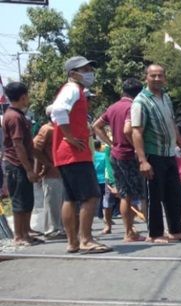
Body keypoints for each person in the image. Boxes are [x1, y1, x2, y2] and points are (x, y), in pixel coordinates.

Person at [50, 55, 112, 254]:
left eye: (88, 69)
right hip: (74, 152)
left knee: (71, 198)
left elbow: (54, 111)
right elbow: (57, 110)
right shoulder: (71, 89)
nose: (88, 73)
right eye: (84, 70)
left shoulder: (75, 91)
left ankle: (73, 242)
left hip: (68, 152)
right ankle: (86, 239)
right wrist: (68, 135)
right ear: (72, 73)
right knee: (91, 195)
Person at [131, 64, 181, 243]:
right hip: (153, 155)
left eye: (160, 76)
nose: (157, 79)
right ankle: (155, 233)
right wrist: (142, 160)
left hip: (169, 154)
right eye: (153, 76)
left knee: (174, 194)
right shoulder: (140, 101)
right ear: (146, 78)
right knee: (154, 196)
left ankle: (175, 230)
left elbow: (172, 124)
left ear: (165, 78)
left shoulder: (166, 97)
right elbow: (136, 131)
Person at [93, 77, 145, 242]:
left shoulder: (113, 107)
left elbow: (96, 126)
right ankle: (130, 232)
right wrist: (138, 150)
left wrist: (110, 143)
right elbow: (128, 130)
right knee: (134, 194)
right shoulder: (133, 107)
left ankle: (129, 230)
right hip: (129, 155)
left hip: (116, 154)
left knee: (124, 195)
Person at [1, 82, 40, 246]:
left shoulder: (16, 115)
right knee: (19, 201)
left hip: (20, 164)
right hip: (16, 164)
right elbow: (18, 145)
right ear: (23, 97)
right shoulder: (15, 117)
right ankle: (19, 236)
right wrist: (29, 169)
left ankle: (25, 233)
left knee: (26, 200)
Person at [32, 106, 65, 240]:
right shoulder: (47, 129)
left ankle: (60, 228)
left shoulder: (60, 128)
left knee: (60, 201)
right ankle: (52, 230)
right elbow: (34, 148)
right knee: (52, 202)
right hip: (51, 172)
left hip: (62, 170)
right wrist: (46, 163)